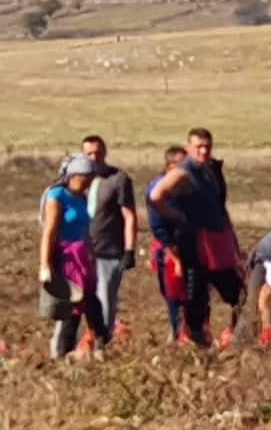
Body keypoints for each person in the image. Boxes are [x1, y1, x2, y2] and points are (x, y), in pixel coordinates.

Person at [147, 127, 243, 346]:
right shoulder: (184, 171)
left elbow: (220, 209)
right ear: (189, 147)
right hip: (197, 244)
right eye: (198, 146)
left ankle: (232, 336)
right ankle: (195, 343)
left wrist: (233, 244)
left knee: (235, 294)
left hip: (216, 243)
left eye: (207, 146)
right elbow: (155, 196)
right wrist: (178, 217)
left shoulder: (209, 170)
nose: (203, 151)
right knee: (196, 297)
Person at [39, 155, 110, 358]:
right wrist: (45, 265)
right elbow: (49, 232)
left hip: (83, 257)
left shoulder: (81, 197)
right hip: (66, 257)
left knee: (91, 302)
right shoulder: (57, 195)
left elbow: (85, 229)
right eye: (86, 178)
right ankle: (63, 350)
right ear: (75, 176)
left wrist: (91, 253)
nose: (89, 182)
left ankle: (100, 341)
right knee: (74, 305)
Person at [77, 134, 138, 336]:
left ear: (105, 152)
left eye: (98, 152)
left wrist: (129, 250)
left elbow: (129, 216)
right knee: (78, 302)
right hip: (82, 251)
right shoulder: (79, 180)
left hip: (108, 252)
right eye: (89, 154)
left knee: (105, 303)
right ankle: (80, 345)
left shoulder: (118, 179)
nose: (94, 157)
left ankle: (102, 344)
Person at [146, 144, 188, 341]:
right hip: (168, 248)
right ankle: (176, 330)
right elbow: (158, 226)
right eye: (182, 165)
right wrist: (173, 253)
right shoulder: (158, 188)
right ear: (170, 167)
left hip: (189, 244)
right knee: (171, 292)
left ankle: (188, 332)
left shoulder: (189, 187)